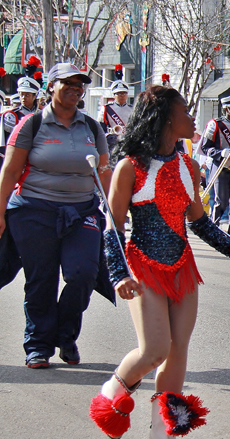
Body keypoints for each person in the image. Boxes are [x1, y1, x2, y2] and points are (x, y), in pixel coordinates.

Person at [88, 84, 230, 439]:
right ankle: (113, 392)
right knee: (154, 349)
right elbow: (113, 227)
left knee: (177, 350)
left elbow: (200, 224)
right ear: (166, 118)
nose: (192, 118)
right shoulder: (130, 167)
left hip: (182, 267)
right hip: (143, 265)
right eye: (186, 111)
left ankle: (162, 433)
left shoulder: (190, 167)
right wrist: (119, 274)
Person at [0, 63, 110, 368]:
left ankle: (65, 335)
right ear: (51, 86)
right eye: (68, 84)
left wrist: (117, 211)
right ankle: (38, 346)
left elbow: (104, 172)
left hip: (82, 210)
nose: (75, 89)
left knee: (83, 274)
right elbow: (9, 171)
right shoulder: (31, 125)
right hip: (34, 211)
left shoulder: (91, 127)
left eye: (80, 85)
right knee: (41, 279)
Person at [200, 73, 230, 237]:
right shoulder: (215, 125)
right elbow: (206, 147)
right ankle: (214, 229)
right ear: (226, 109)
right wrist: (222, 152)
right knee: (220, 200)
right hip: (220, 166)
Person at [1, 56, 42, 158]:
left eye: (27, 95)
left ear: (34, 96)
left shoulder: (42, 114)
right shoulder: (12, 115)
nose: (23, 98)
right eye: (21, 94)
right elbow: (9, 140)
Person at [99, 64, 133, 157]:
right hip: (112, 143)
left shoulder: (132, 109)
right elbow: (101, 129)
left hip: (127, 143)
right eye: (119, 93)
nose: (122, 95)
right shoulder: (106, 109)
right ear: (114, 94)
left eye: (124, 93)